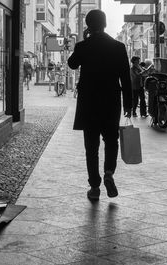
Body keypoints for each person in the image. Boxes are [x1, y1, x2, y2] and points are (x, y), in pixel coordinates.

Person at [67, 9, 132, 201]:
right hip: (111, 101)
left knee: (91, 146)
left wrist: (85, 40)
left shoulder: (83, 46)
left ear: (88, 25)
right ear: (104, 24)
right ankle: (109, 173)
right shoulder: (118, 46)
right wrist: (128, 103)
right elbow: (125, 78)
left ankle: (94, 187)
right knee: (111, 140)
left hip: (89, 102)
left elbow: (71, 64)